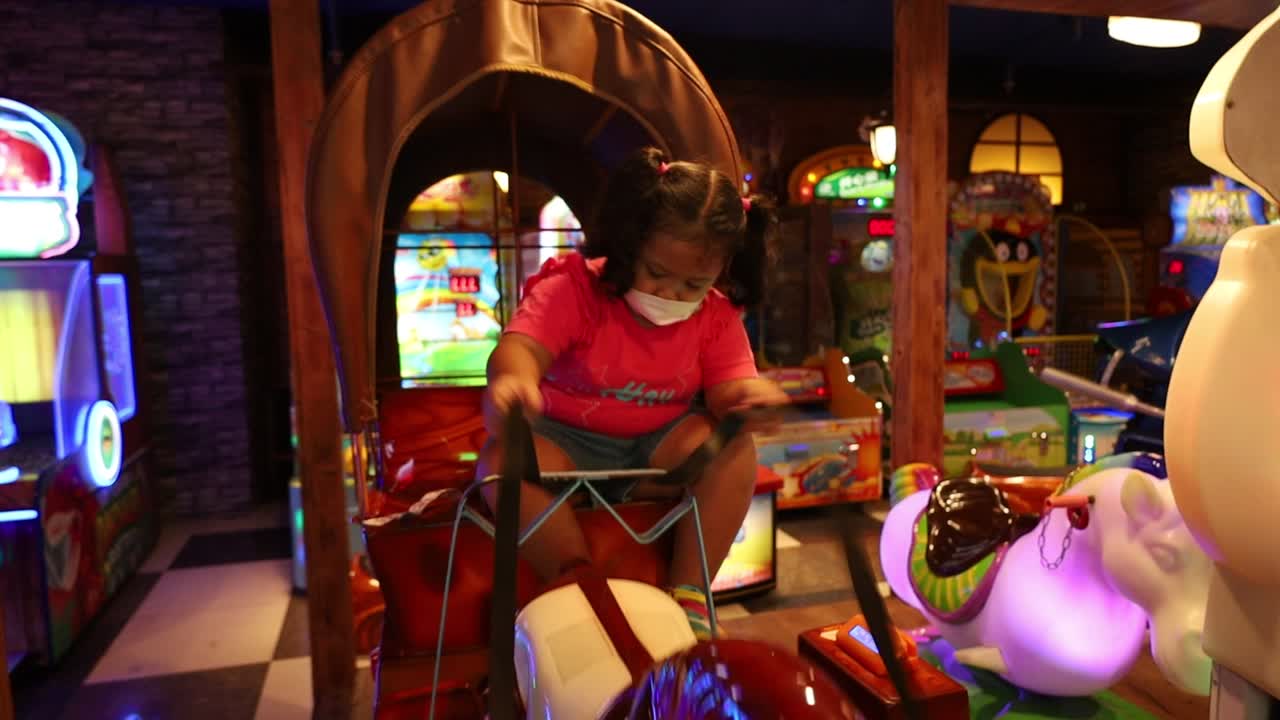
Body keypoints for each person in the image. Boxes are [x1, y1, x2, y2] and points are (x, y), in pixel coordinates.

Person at [478, 147, 788, 641]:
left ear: (722, 273)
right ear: (628, 243)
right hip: (562, 449)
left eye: (693, 283)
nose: (669, 294)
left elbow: (729, 390)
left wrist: (751, 400)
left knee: (734, 450)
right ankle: (576, 579)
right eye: (656, 273)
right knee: (501, 466)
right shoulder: (574, 289)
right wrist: (513, 382)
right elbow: (520, 348)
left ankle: (691, 594)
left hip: (656, 457)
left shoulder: (715, 315)